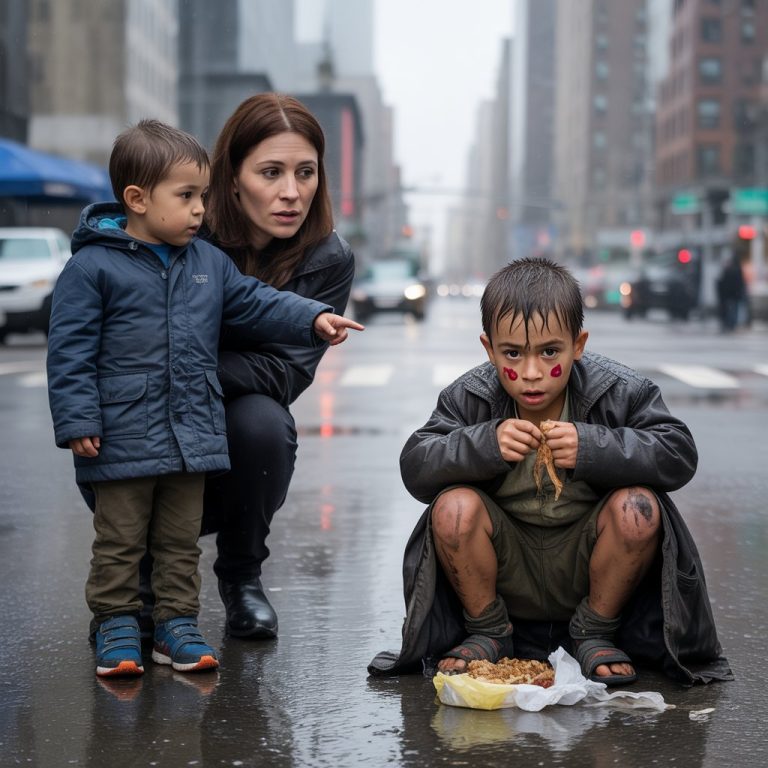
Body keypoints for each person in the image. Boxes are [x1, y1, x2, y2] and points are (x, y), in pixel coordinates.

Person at [47, 119, 362, 678]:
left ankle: (178, 624)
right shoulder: (91, 267)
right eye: (188, 197)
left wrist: (312, 316)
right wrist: (77, 419)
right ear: (138, 200)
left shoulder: (206, 262)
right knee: (122, 536)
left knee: (178, 538)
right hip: (123, 431)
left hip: (191, 429)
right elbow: (69, 350)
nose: (199, 210)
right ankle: (117, 622)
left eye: (202, 196)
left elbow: (258, 301)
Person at [368, 257, 732, 686]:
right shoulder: (469, 396)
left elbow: (678, 453)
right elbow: (416, 465)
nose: (531, 373)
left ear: (578, 345)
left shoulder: (620, 390)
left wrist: (592, 446)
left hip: (591, 564)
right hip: (506, 566)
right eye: (512, 354)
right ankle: (489, 631)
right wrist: (485, 444)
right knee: (453, 508)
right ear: (489, 349)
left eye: (549, 352)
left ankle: (594, 632)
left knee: (638, 508)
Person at [137, 92, 359, 641]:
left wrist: (191, 372)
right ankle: (138, 579)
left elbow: (286, 373)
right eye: (271, 172)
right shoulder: (185, 232)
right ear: (232, 178)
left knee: (263, 422)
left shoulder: (328, 259)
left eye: (305, 172)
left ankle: (241, 577)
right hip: (146, 421)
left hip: (234, 424)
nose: (292, 192)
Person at [716, 251, 748, 332]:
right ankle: (732, 324)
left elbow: (724, 283)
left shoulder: (729, 270)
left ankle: (730, 324)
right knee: (734, 310)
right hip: (734, 294)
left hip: (730, 295)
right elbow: (740, 282)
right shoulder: (737, 270)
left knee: (731, 310)